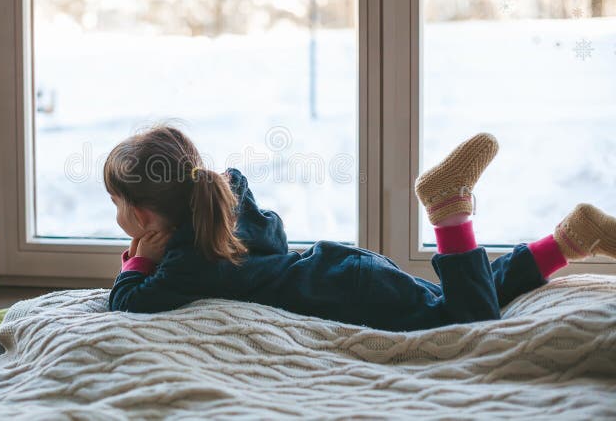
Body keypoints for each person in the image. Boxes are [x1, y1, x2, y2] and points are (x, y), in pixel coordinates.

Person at [105, 125, 616, 332]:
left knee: (469, 321)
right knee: (453, 302)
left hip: (350, 292)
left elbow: (128, 303)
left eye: (117, 203)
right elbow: (275, 240)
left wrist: (139, 262)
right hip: (343, 270)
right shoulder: (226, 203)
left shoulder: (186, 261)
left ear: (145, 216)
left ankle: (450, 207)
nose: (117, 214)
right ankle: (568, 241)